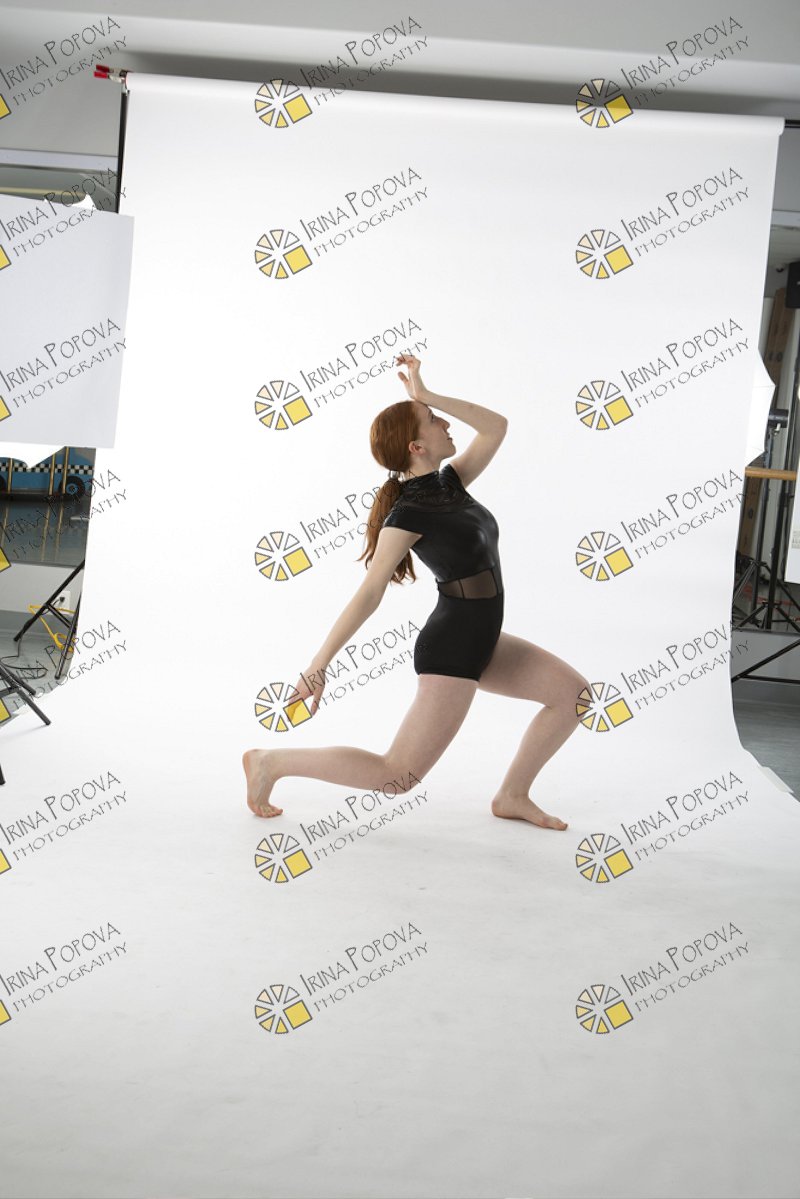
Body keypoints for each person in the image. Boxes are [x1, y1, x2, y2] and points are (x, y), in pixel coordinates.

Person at [243, 354, 591, 830]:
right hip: (452, 647)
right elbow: (369, 593)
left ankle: (512, 794)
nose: (446, 423)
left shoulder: (451, 483)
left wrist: (426, 395)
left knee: (574, 696)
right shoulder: (407, 514)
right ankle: (270, 761)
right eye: (433, 419)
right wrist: (318, 666)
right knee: (397, 775)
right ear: (416, 446)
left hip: (483, 638)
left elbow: (496, 427)